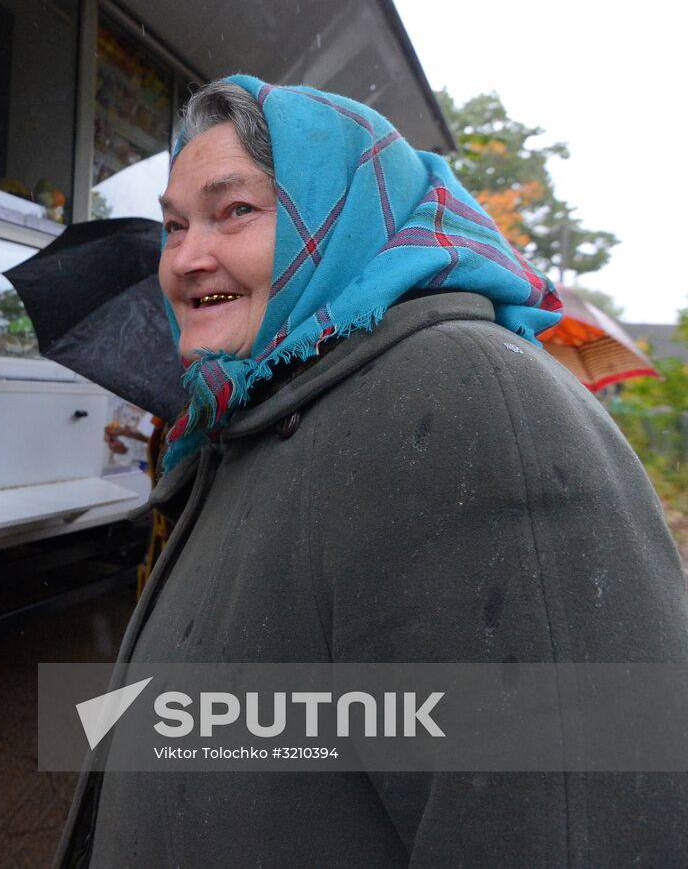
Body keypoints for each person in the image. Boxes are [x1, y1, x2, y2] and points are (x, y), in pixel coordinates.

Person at [56, 76, 688, 866]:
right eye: (175, 225)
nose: (186, 257)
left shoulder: (465, 399)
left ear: (343, 211)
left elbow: (577, 821)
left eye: (235, 211)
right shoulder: (260, 408)